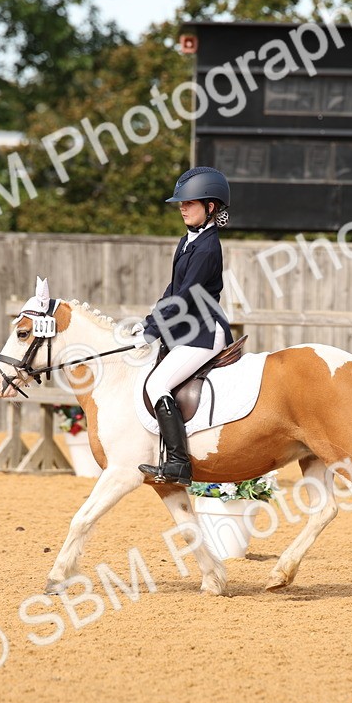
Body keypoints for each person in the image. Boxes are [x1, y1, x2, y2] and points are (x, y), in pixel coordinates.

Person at [136, 166, 234, 485]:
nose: (182, 207)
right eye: (181, 202)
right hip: (187, 329)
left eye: (189, 202)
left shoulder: (207, 248)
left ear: (210, 207)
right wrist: (150, 322)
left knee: (156, 385)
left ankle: (179, 462)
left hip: (204, 332)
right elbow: (173, 290)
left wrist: (154, 330)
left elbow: (187, 298)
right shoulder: (187, 241)